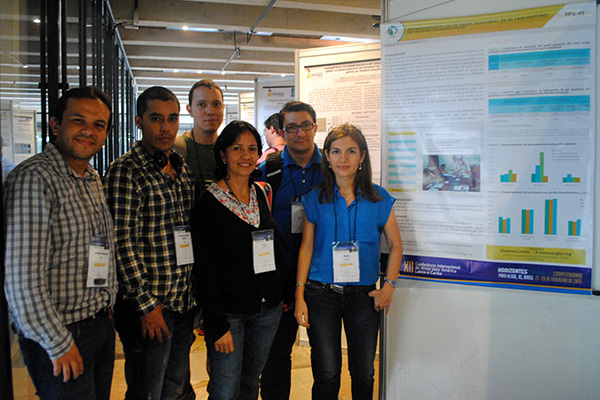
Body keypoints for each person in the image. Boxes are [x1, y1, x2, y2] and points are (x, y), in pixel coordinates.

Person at [4, 86, 117, 399]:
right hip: (62, 333)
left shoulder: (91, 177)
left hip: (98, 324)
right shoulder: (35, 179)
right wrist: (58, 342)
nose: (89, 131)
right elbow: (21, 280)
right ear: (55, 124)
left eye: (99, 125)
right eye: (79, 121)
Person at [294, 124, 403, 400]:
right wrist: (299, 295)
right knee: (327, 372)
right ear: (327, 157)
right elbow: (306, 247)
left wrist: (389, 285)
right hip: (321, 294)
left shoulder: (379, 198)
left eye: (351, 151)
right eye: (336, 151)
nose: (344, 158)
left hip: (364, 296)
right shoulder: (315, 199)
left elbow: (396, 245)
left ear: (362, 157)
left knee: (364, 372)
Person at [103, 86, 196, 399]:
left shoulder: (182, 170)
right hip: (150, 306)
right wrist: (145, 305)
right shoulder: (126, 171)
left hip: (182, 301)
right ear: (139, 121)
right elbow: (121, 242)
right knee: (147, 390)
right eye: (156, 119)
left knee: (175, 387)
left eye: (172, 119)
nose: (166, 127)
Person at [192, 120, 284, 400]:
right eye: (237, 148)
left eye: (252, 149)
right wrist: (216, 324)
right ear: (223, 154)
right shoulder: (209, 203)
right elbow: (205, 269)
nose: (245, 156)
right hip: (229, 313)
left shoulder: (260, 192)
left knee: (249, 383)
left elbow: (272, 246)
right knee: (224, 388)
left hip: (267, 308)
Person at [257, 101, 323, 400]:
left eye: (305, 125)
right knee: (275, 358)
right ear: (282, 131)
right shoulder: (267, 171)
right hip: (281, 276)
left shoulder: (333, 169)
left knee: (326, 359)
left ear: (315, 127)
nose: (299, 133)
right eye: (292, 127)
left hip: (323, 276)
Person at [174, 79, 225, 189]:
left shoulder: (228, 147)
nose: (210, 111)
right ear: (190, 110)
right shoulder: (179, 147)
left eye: (216, 104)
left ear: (223, 108)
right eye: (202, 104)